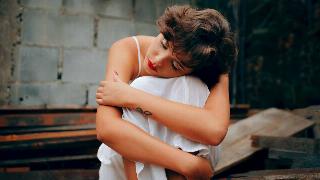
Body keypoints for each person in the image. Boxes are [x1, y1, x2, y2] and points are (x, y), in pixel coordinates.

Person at [95, 5, 237, 180]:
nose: (157, 59)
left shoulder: (210, 61)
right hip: (125, 160)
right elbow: (106, 129)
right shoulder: (126, 49)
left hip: (195, 156)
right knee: (142, 84)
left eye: (176, 65)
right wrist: (188, 164)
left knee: (189, 85)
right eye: (163, 44)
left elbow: (214, 131)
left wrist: (131, 97)